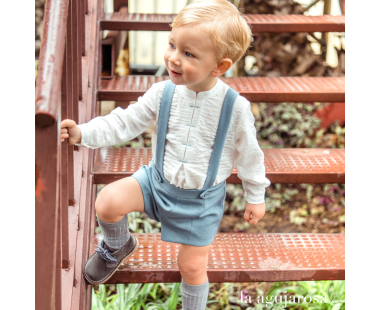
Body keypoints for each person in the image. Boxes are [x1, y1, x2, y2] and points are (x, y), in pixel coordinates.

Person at [61, 0, 270, 308]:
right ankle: (118, 245)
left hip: (199, 202)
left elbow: (250, 155)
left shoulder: (234, 108)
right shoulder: (163, 93)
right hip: (155, 184)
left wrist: (256, 196)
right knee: (107, 201)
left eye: (188, 54)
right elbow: (125, 121)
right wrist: (84, 133)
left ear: (220, 66)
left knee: (192, 266)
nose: (173, 58)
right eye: (172, 45)